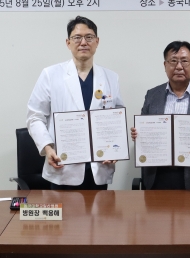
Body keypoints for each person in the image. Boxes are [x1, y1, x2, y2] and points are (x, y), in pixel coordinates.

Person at [26, 16, 124, 190]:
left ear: (97, 41)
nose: (83, 42)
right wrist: (48, 148)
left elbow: (116, 117)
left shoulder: (111, 77)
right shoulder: (50, 75)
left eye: (89, 37)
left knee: (100, 209)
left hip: (99, 168)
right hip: (63, 168)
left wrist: (116, 149)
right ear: (68, 42)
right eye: (77, 37)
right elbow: (35, 117)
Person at [130, 41, 190, 190]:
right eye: (173, 61)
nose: (179, 67)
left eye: (184, 61)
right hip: (156, 176)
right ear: (165, 65)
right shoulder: (152, 95)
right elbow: (145, 129)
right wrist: (139, 134)